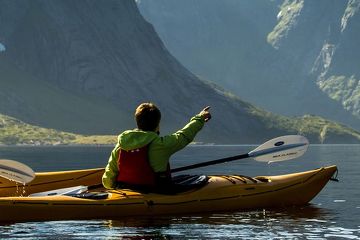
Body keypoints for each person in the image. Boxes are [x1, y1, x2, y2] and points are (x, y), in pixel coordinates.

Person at [102, 102, 211, 192]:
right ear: (157, 124)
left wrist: (112, 188)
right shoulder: (160, 144)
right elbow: (184, 135)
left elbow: (108, 179)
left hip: (123, 189)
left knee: (183, 179)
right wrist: (200, 118)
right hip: (155, 191)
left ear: (137, 122)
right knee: (199, 180)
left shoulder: (120, 145)